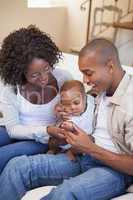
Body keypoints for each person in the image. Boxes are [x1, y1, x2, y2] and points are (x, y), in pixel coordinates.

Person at [0, 38, 133, 200]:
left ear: (110, 66)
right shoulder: (97, 92)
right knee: (17, 167)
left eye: (88, 73)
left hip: (112, 170)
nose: (85, 81)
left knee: (64, 194)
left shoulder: (129, 102)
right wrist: (63, 138)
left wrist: (90, 147)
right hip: (79, 156)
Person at [0, 25, 72, 174]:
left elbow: (77, 110)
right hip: (16, 130)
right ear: (20, 72)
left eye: (46, 68)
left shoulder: (64, 79)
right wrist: (45, 129)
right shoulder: (11, 88)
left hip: (43, 139)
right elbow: (13, 129)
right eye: (34, 75)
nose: (44, 78)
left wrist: (50, 131)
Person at [48, 80, 94, 161]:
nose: (72, 107)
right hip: (67, 137)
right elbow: (58, 109)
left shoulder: (92, 103)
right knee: (54, 139)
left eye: (76, 103)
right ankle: (54, 150)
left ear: (85, 97)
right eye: (67, 104)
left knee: (91, 140)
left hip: (84, 139)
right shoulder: (65, 113)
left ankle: (71, 152)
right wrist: (59, 112)